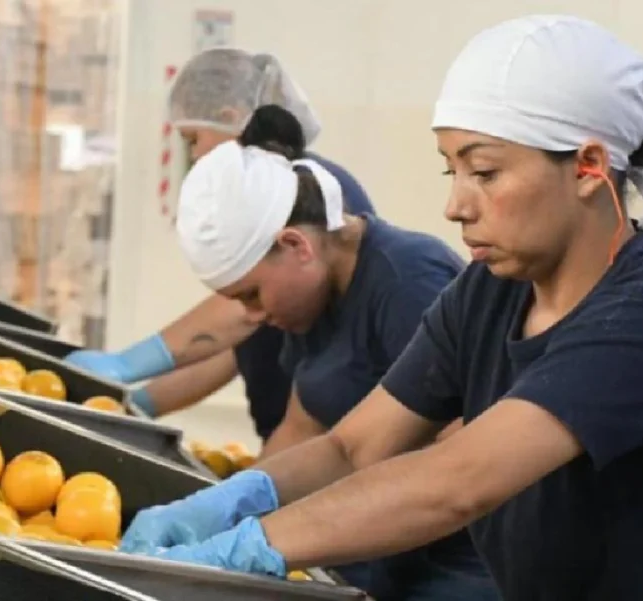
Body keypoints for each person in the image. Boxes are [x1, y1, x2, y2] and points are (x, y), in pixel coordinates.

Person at [119, 15, 643, 601]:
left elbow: (457, 482)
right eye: (450, 170)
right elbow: (352, 447)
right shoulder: (490, 292)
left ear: (588, 166)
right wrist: (229, 501)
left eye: (484, 172)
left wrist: (250, 546)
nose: (455, 205)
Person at [165, 104, 497, 600]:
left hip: (452, 565)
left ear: (296, 245)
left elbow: (456, 460)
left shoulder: (407, 281)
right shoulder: (312, 302)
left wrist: (284, 535)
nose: (253, 316)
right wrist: (229, 506)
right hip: (365, 548)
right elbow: (307, 428)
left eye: (252, 294)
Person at [65, 48, 375, 443]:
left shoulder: (306, 191)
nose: (194, 155)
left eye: (193, 139)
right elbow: (235, 345)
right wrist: (138, 405)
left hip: (321, 447)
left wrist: (130, 362)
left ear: (231, 119)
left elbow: (241, 317)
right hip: (288, 440)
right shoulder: (264, 206)